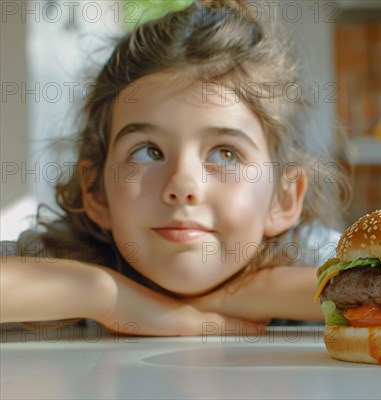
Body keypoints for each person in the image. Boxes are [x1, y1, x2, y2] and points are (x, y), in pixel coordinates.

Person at [0, 0, 350, 336]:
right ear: (96, 191)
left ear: (283, 198)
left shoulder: (309, 254)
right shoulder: (67, 256)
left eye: (225, 154)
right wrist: (103, 295)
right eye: (148, 152)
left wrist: (257, 292)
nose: (183, 186)